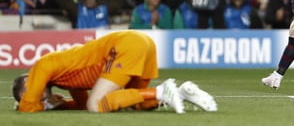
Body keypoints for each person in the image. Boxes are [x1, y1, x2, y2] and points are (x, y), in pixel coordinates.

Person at [12, 30, 217, 113]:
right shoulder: (65, 78)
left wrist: (37, 103)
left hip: (124, 46)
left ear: (24, 90)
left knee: (96, 104)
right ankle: (181, 92)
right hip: (143, 42)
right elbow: (81, 103)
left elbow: (28, 106)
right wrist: (61, 105)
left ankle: (161, 92)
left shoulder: (41, 66)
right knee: (135, 104)